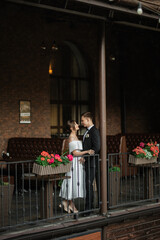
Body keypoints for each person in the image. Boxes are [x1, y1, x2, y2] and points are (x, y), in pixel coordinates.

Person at [59, 120, 94, 213]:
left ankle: (67, 202)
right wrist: (86, 152)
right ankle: (69, 203)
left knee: (75, 182)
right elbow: (74, 153)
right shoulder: (71, 137)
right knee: (72, 181)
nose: (78, 125)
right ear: (71, 128)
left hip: (79, 163)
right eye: (75, 124)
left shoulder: (76, 136)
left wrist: (83, 156)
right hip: (74, 163)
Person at [81, 112, 100, 213]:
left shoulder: (94, 131)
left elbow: (96, 148)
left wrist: (85, 157)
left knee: (89, 184)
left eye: (83, 120)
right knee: (88, 185)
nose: (82, 122)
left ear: (88, 120)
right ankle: (90, 207)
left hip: (93, 163)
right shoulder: (87, 131)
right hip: (89, 162)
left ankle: (89, 208)